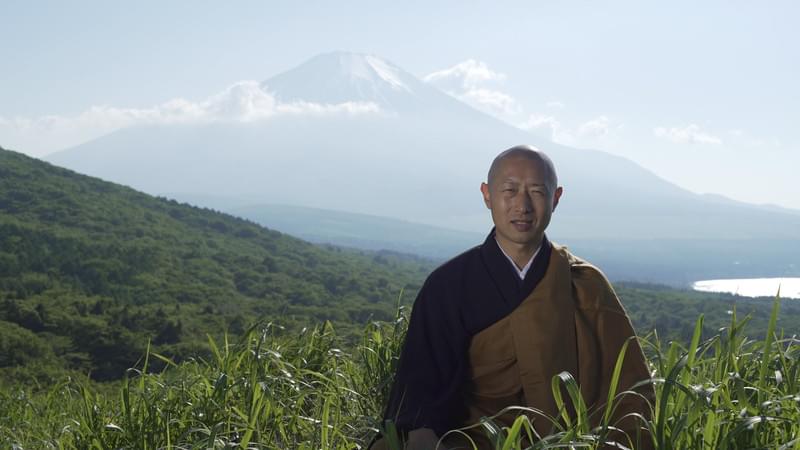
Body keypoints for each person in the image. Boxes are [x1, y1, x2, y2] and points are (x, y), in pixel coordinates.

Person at [370, 145, 654, 450]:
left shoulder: (584, 284)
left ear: (556, 198)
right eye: (509, 190)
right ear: (487, 194)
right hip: (469, 443)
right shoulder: (448, 286)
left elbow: (629, 392)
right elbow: (420, 398)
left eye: (536, 191)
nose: (523, 205)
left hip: (569, 444)